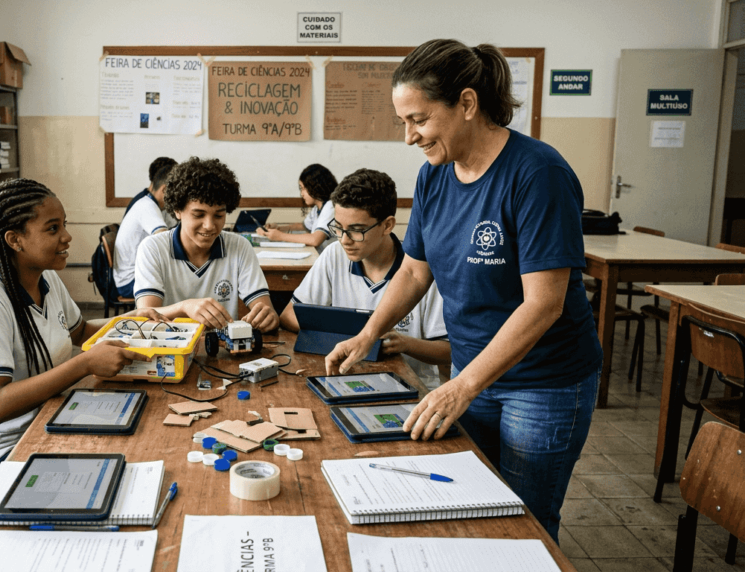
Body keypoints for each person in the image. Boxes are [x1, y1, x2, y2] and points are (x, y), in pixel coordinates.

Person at [326, 40, 602, 542]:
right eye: (403, 122)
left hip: (543, 383)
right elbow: (413, 273)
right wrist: (368, 333)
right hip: (475, 373)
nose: (409, 136)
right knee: (470, 504)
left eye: (420, 120)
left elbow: (544, 304)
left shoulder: (538, 174)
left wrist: (461, 385)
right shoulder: (435, 175)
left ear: (468, 104)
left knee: (526, 522)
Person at [0, 178, 164, 497]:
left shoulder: (46, 277)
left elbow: (79, 332)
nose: (67, 237)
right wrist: (85, 364)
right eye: (52, 229)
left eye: (63, 225)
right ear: (15, 240)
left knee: (144, 439)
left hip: (48, 418)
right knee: (116, 485)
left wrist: (128, 320)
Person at [280, 168, 450, 389]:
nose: (344, 240)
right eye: (338, 228)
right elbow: (288, 315)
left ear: (387, 225)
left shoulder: (422, 271)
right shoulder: (334, 255)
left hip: (410, 386)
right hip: (347, 378)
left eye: (357, 230)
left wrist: (405, 344)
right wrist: (358, 336)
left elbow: (450, 351)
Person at [134, 157, 279, 332]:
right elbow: (145, 318)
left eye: (218, 216)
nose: (210, 225)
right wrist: (185, 307)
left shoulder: (240, 246)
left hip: (223, 351)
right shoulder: (152, 248)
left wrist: (268, 317)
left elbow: (265, 309)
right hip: (171, 350)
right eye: (198, 215)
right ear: (177, 210)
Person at [113, 157, 178, 299]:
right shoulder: (147, 206)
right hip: (130, 282)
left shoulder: (150, 203)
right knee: (183, 281)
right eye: (176, 193)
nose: (177, 198)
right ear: (165, 189)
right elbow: (165, 241)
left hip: (132, 276)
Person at [255, 164, 336, 249]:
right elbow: (305, 226)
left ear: (315, 186)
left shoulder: (330, 207)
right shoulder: (317, 208)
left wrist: (280, 236)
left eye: (303, 188)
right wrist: (279, 228)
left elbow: (315, 240)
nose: (301, 193)